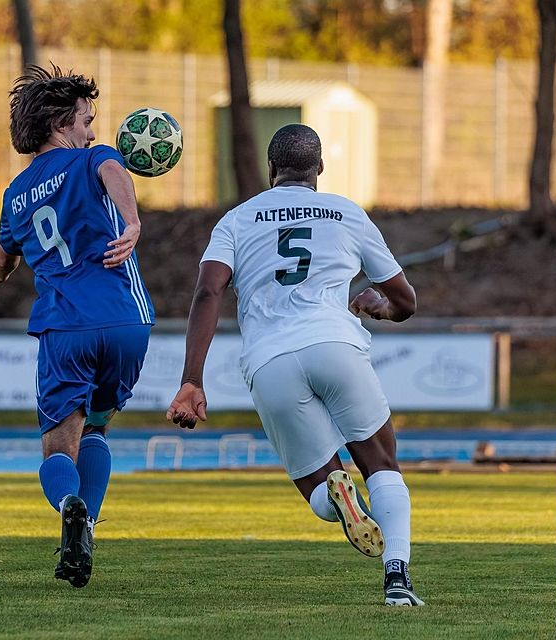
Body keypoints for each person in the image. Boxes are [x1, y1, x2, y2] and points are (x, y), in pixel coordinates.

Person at [166, 124, 424, 606]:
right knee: (383, 465)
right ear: (320, 169)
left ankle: (337, 497)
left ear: (270, 169)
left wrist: (191, 380)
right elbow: (405, 301)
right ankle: (397, 581)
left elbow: (208, 292)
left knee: (320, 491)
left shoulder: (237, 220)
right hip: (335, 345)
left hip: (270, 361)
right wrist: (376, 305)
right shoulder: (347, 213)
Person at [0, 63, 154, 589]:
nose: (94, 131)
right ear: (61, 122)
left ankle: (70, 503)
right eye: (86, 119)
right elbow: (114, 174)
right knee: (98, 429)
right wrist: (131, 221)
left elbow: (5, 256)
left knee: (59, 451)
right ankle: (86, 533)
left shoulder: (16, 194)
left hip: (66, 329)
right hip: (127, 322)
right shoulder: (91, 160)